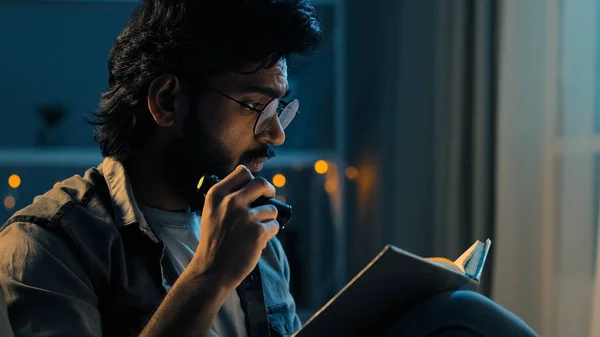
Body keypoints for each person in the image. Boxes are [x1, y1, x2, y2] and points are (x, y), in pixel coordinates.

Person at [0, 1, 538, 336]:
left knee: (452, 310)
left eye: (281, 108)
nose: (276, 133)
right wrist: (209, 275)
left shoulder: (255, 229)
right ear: (166, 101)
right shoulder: (44, 245)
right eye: (257, 106)